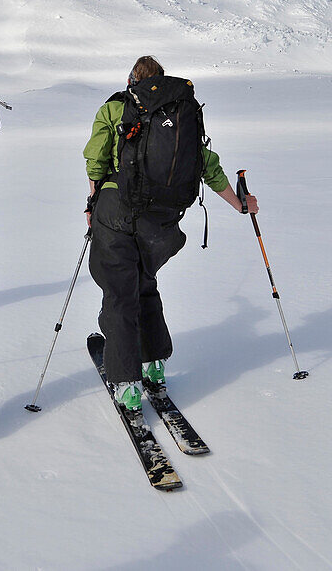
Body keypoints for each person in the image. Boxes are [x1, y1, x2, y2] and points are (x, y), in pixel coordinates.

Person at [83, 55, 257, 412]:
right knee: (145, 285)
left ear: (133, 80)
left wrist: (92, 202)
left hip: (117, 213)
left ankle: (128, 385)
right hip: (162, 221)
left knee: (119, 295)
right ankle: (154, 365)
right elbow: (208, 166)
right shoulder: (182, 112)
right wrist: (240, 206)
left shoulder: (116, 108)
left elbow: (96, 161)